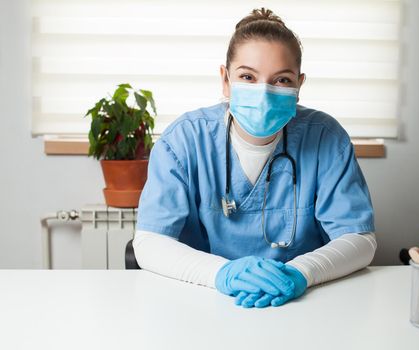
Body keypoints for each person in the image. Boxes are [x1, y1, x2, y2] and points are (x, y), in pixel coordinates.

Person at [134, 7, 377, 308]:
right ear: (225, 80)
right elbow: (148, 243)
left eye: (282, 80)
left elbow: (361, 241)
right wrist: (222, 273)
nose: (263, 92)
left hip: (301, 304)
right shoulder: (184, 141)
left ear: (299, 84)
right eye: (247, 76)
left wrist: (301, 273)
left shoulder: (326, 138)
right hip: (203, 302)